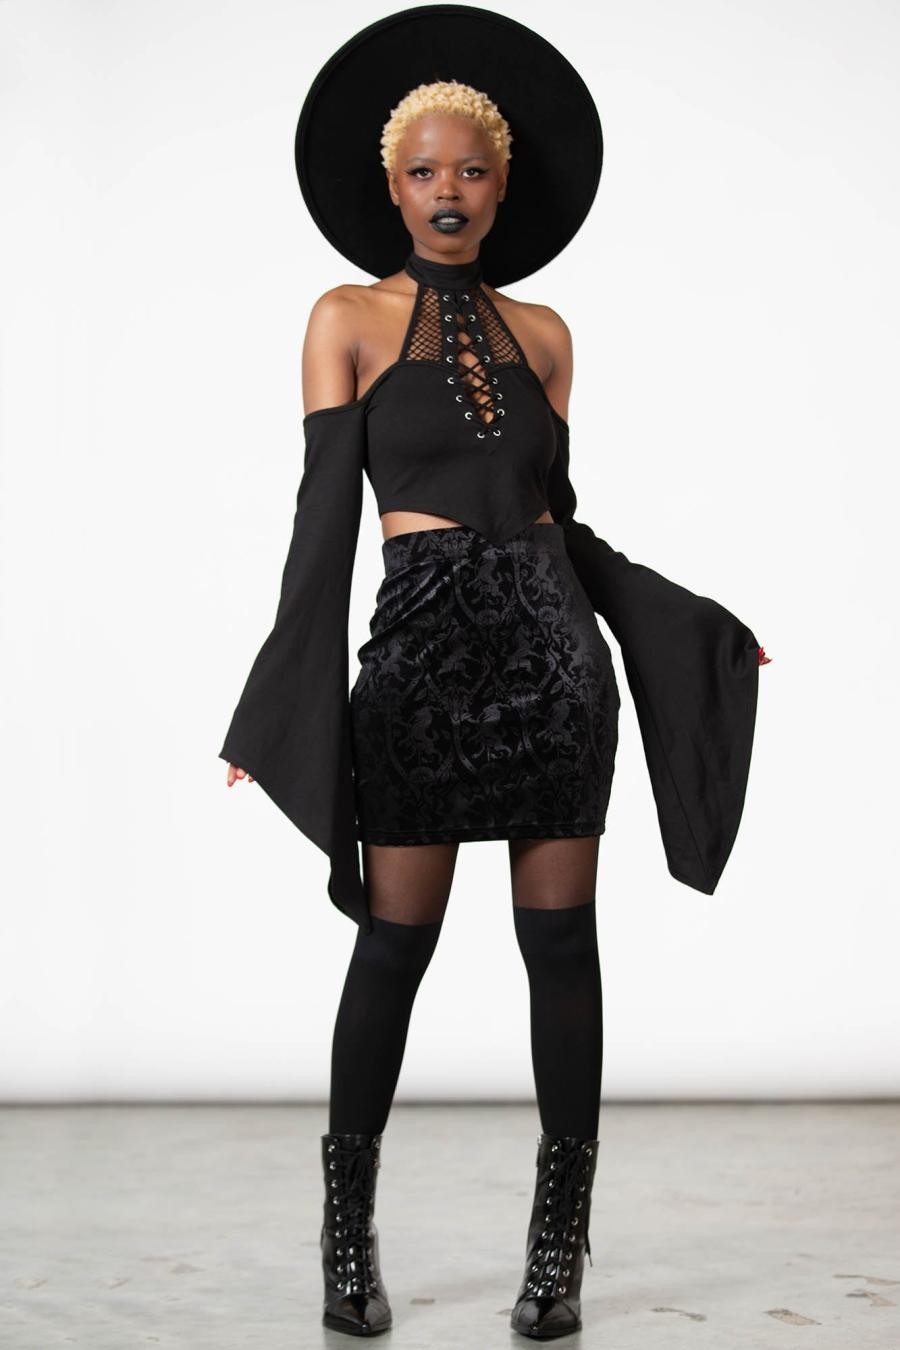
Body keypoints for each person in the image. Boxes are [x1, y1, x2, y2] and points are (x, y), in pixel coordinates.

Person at [218, 7, 768, 1341]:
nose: (448, 190)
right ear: (391, 186)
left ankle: (557, 1252)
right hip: (417, 655)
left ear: (504, 184)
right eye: (424, 170)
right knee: (393, 946)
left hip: (549, 659)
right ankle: (347, 1242)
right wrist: (279, 696)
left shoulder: (547, 334)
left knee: (561, 945)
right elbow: (320, 521)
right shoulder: (345, 318)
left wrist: (684, 621)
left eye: (471, 169)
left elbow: (557, 520)